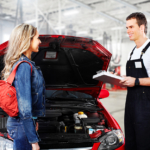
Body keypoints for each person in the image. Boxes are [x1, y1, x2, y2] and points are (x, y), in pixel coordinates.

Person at [1, 24, 45, 150]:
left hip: (22, 125)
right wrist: (33, 140)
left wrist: (33, 121)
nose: (40, 41)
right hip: (21, 126)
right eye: (37, 38)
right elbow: (24, 107)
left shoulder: (24, 63)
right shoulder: (24, 66)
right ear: (27, 40)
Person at [120, 12, 150, 150]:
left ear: (142, 27)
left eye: (131, 27)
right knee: (131, 139)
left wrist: (136, 81)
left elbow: (137, 79)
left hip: (146, 106)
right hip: (131, 103)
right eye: (127, 27)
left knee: (144, 140)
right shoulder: (132, 52)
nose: (128, 31)